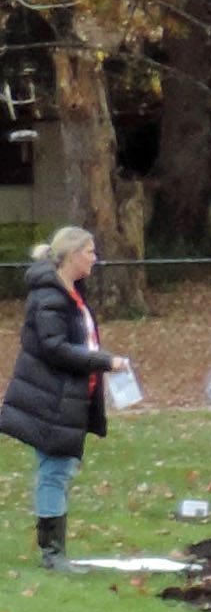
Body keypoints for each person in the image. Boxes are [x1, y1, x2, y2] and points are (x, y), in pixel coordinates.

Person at [3, 226, 130, 570]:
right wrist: (105, 361)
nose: (95, 258)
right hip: (48, 398)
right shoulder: (49, 297)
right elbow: (55, 348)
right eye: (89, 251)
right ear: (72, 255)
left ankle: (54, 550)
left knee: (60, 468)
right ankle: (52, 553)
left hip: (67, 397)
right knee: (54, 469)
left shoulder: (71, 293)